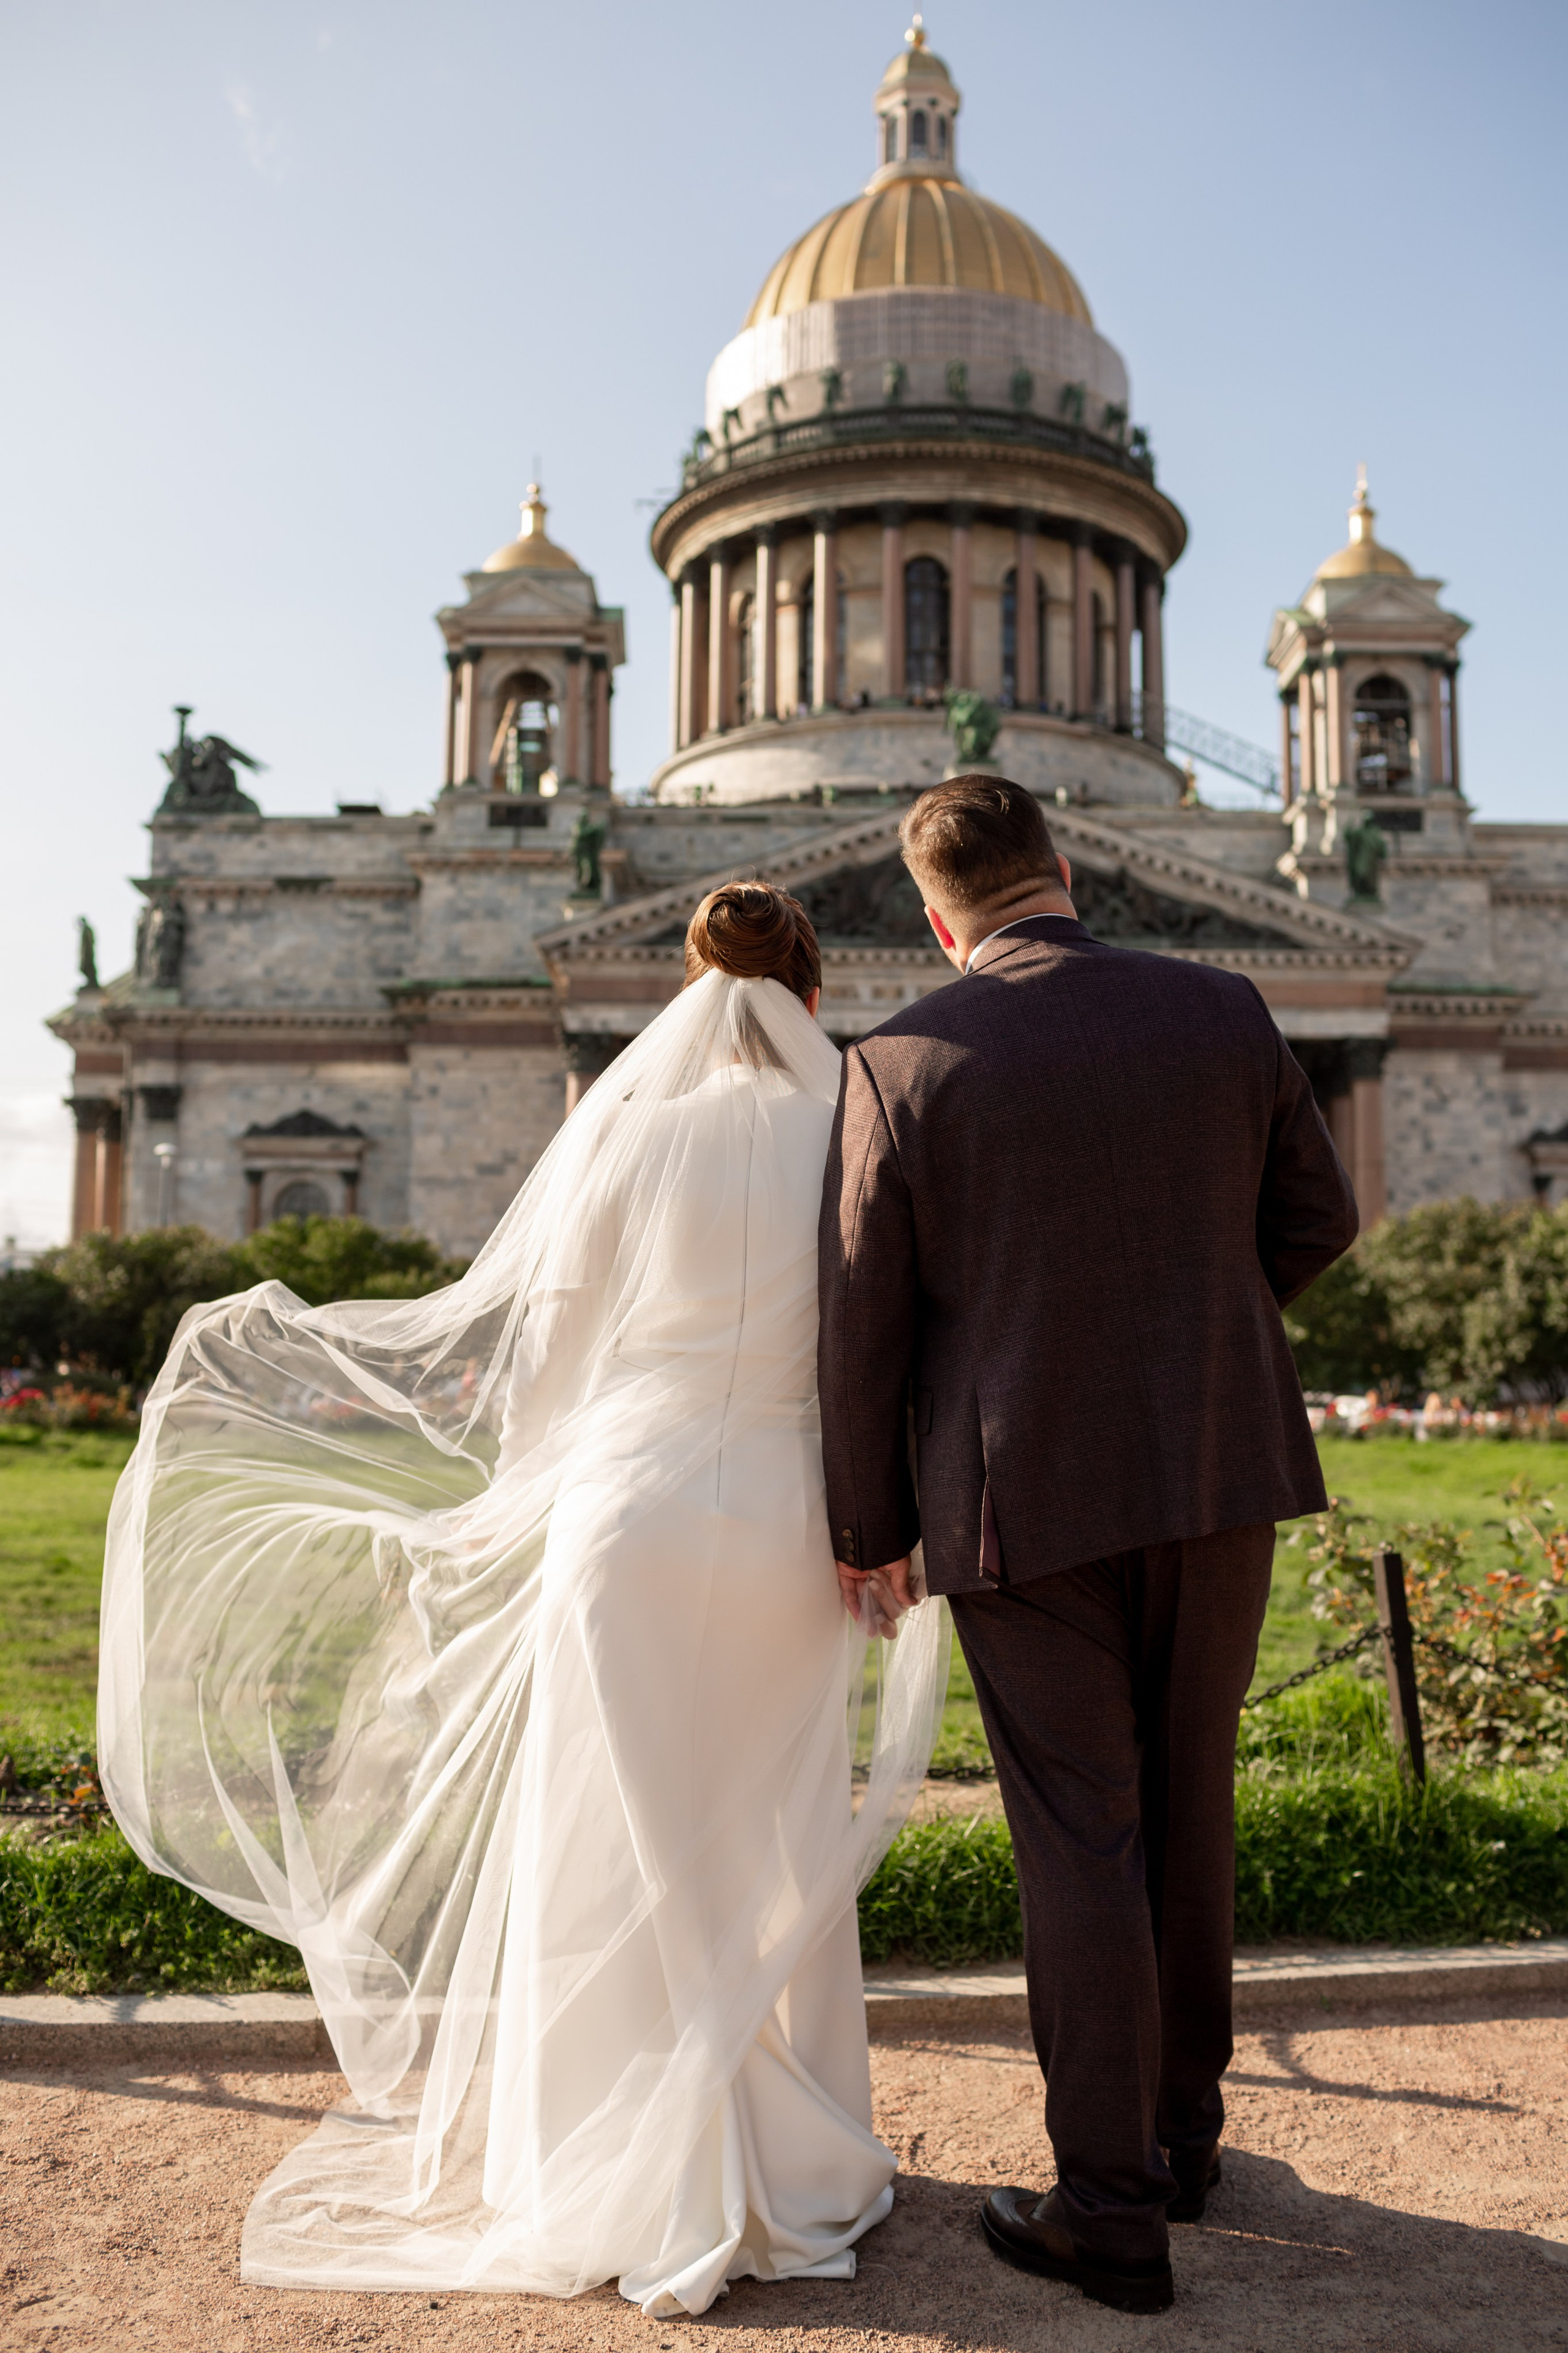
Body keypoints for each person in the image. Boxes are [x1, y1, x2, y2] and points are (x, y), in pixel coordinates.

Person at [99, 882, 946, 2317]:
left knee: (612, 1833)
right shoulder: (853, 1127)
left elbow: (548, 1359)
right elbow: (894, 1344)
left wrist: (529, 1495)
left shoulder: (624, 1130)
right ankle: (790, 2163)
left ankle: (611, 2166)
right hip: (795, 1523)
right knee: (772, 1833)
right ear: (813, 995)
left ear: (685, 991)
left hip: (627, 1512)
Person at [818, 775, 1357, 2317]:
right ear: (1064, 871)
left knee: (1079, 1835)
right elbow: (1315, 1219)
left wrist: (869, 1525)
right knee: (1192, 1803)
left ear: (935, 914)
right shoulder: (1224, 1007)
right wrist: (1200, 1336)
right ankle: (1183, 2143)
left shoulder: (904, 1056)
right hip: (1214, 1473)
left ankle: (1108, 2207)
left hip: (1015, 1500)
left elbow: (861, 1318)